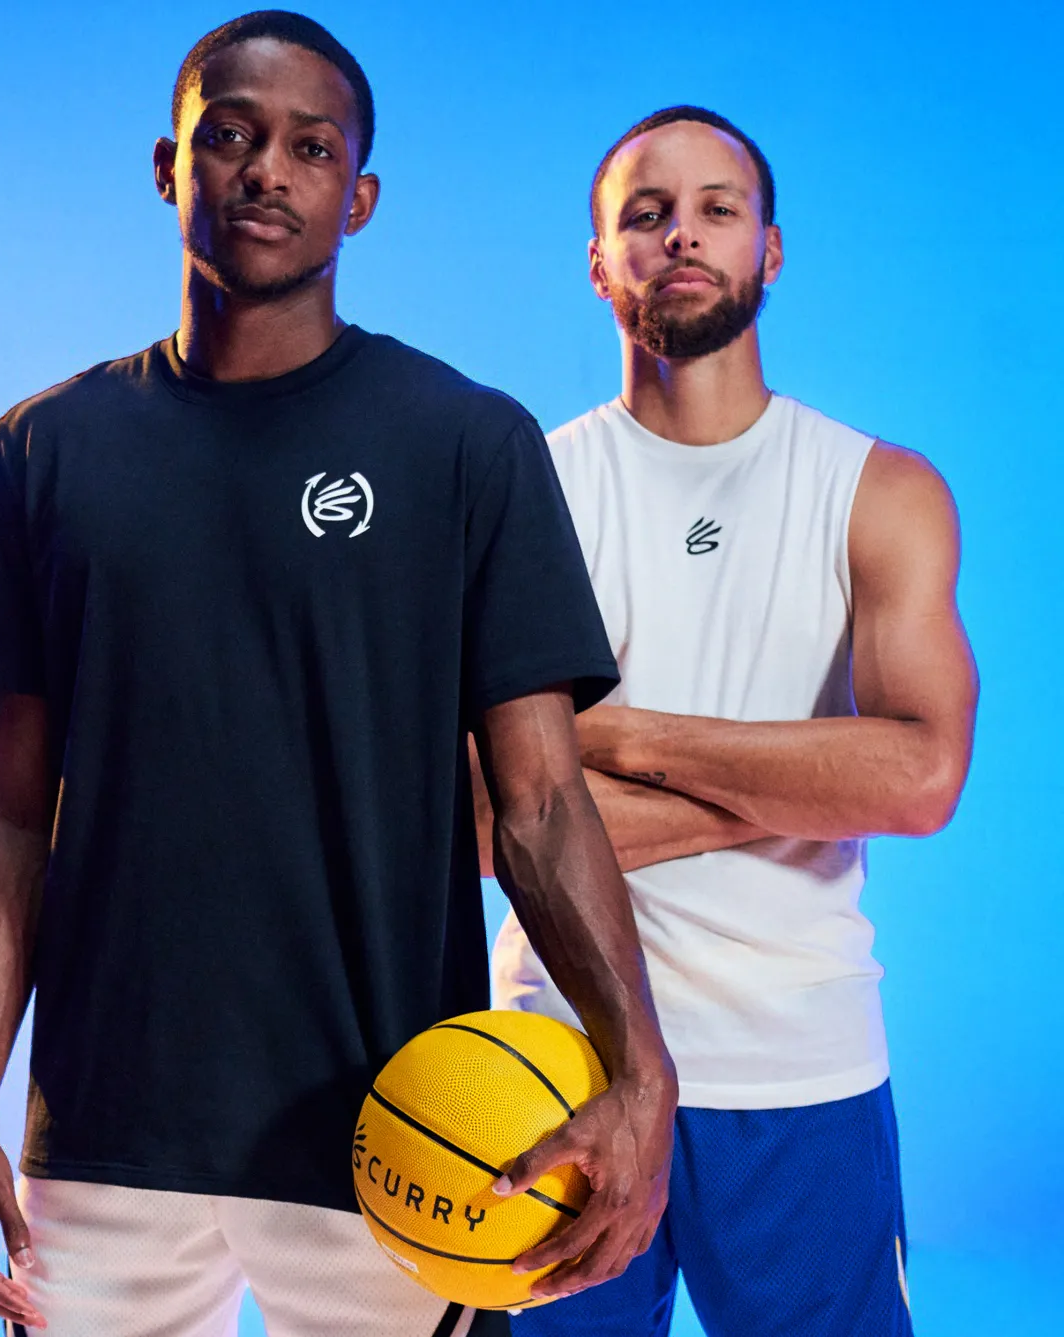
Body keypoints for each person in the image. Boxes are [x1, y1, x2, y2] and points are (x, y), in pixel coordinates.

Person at [0, 15, 678, 1336]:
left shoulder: (466, 443)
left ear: (359, 197)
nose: (266, 168)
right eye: (231, 134)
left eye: (309, 146)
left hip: (403, 1129)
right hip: (108, 1129)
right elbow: (9, 815)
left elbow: (543, 805)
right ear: (171, 166)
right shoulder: (46, 451)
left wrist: (643, 1070)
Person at [483, 106, 979, 1336]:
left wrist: (612, 736)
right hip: (555, 1060)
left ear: (770, 247)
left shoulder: (880, 489)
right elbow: (480, 822)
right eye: (645, 215)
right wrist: (802, 784)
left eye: (717, 208)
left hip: (801, 1061)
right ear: (600, 261)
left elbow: (918, 777)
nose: (682, 235)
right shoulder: (524, 494)